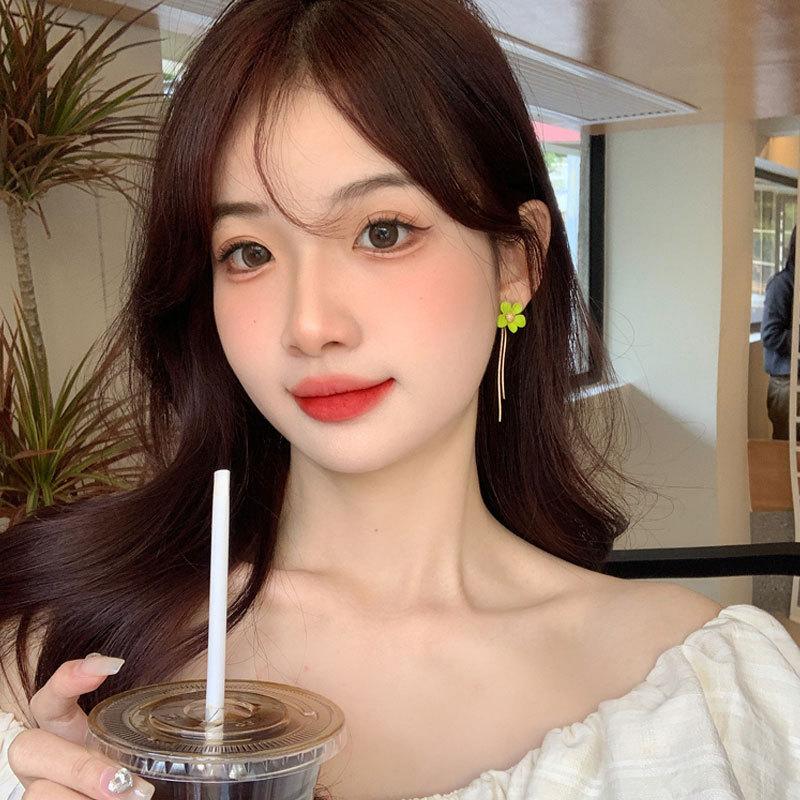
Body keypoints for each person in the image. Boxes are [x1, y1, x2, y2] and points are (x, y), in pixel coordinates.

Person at [1, 0, 799, 798]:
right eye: (248, 251)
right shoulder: (51, 651)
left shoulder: (713, 701)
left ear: (516, 262)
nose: (310, 326)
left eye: (382, 232)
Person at [763, 224, 798, 440]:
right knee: (785, 452)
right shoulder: (782, 285)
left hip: (793, 381)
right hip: (786, 384)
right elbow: (770, 335)